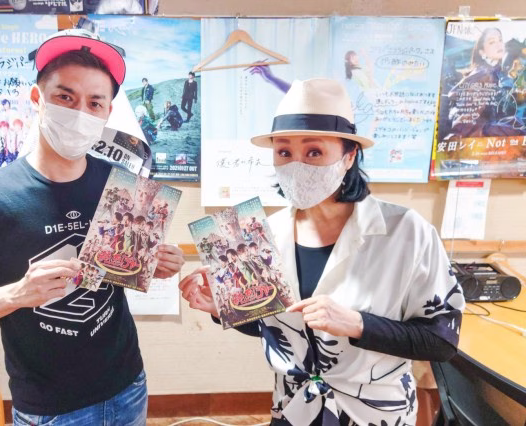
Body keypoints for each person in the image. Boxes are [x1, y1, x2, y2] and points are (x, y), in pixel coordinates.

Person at [0, 28, 184, 426]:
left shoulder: (121, 185)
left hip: (127, 384)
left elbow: (121, 270)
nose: (80, 113)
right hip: (48, 406)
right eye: (65, 97)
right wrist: (17, 294)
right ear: (38, 99)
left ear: (107, 112)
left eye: (95, 103)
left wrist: (156, 263)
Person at [179, 78, 464, 425]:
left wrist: (358, 324)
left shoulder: (406, 232)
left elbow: (441, 342)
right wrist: (224, 309)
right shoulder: (259, 235)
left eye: (314, 152)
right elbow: (275, 329)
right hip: (293, 407)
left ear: (349, 156)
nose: (296, 165)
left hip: (373, 413)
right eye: (284, 152)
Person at [445, 27, 525, 139]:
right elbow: (465, 119)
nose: (499, 45)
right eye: (492, 42)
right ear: (482, 52)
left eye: (500, 40)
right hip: (481, 137)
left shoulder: (497, 73)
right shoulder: (482, 75)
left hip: (492, 130)